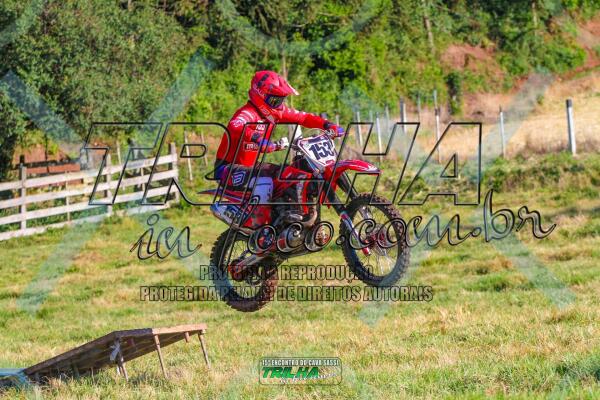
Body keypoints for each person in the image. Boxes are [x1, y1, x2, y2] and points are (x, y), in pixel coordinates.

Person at [215, 70, 344, 227]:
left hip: (251, 167)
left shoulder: (275, 113)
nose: (279, 104)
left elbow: (304, 117)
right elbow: (235, 125)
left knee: (288, 175)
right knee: (266, 181)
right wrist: (257, 138)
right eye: (275, 99)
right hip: (227, 169)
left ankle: (287, 218)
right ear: (260, 95)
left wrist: (327, 124)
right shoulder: (248, 113)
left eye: (281, 99)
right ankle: (261, 227)